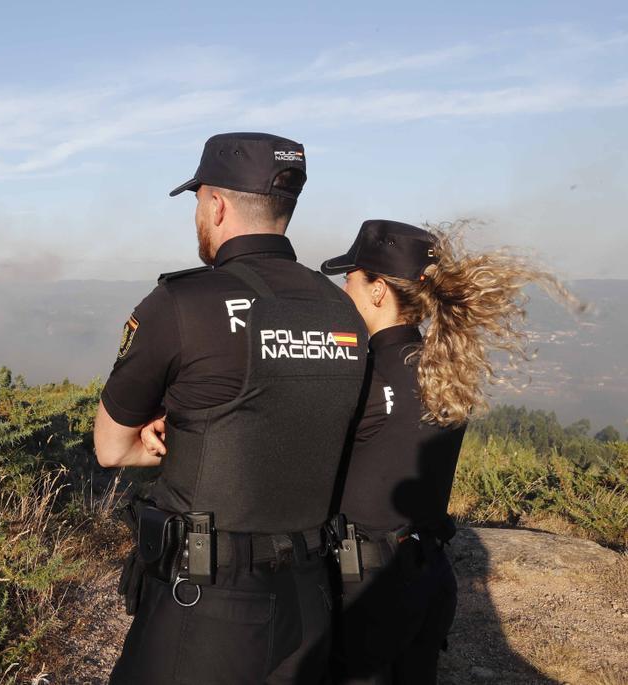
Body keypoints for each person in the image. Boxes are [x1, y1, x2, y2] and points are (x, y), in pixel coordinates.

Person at [94, 132, 369, 684]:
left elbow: (110, 447)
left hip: (208, 607)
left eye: (198, 201)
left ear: (216, 204)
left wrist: (177, 437)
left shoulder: (182, 304)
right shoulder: (341, 307)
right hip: (311, 599)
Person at [315, 219, 582, 684]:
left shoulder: (364, 375)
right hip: (427, 579)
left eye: (351, 277)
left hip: (366, 589)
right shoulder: (446, 369)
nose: (344, 288)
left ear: (379, 290)